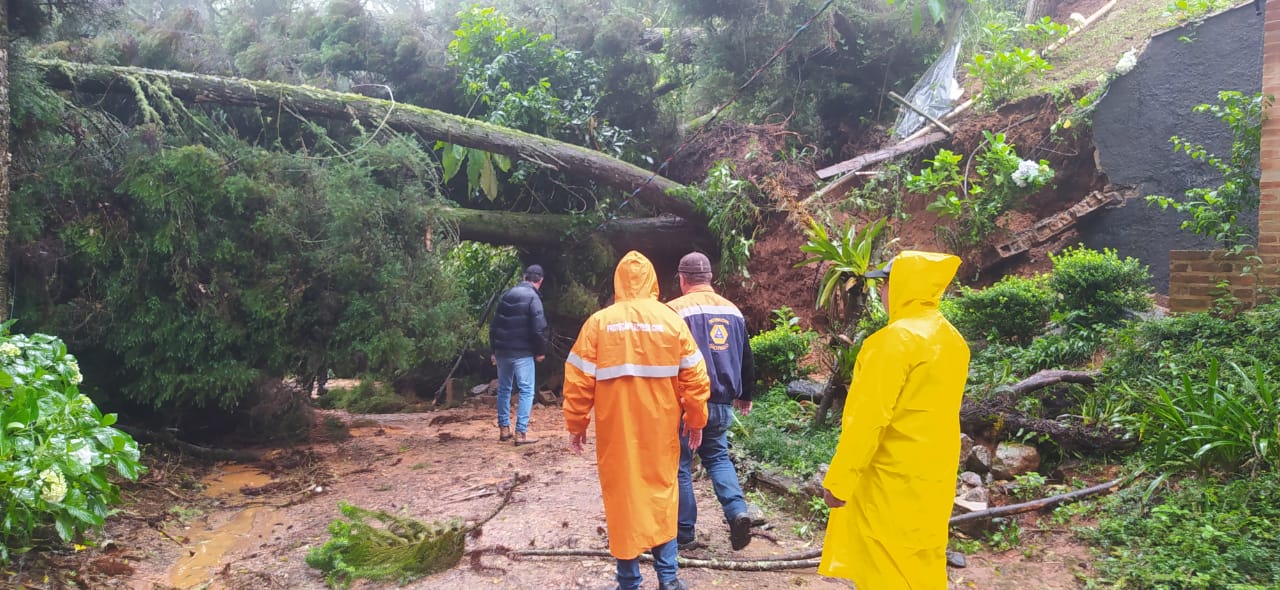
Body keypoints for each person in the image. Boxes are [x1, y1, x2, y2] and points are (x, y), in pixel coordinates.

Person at [819, 251, 971, 590]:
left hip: (889, 483)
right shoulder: (953, 341)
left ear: (899, 285)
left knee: (885, 570)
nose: (882, 293)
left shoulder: (893, 341)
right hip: (933, 480)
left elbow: (868, 420)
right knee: (923, 564)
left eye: (884, 284)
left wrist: (839, 481)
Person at [563, 250, 711, 590]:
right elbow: (696, 378)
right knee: (663, 495)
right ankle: (669, 580)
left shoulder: (599, 324)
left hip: (617, 432)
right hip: (661, 431)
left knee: (623, 501)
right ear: (653, 280)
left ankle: (628, 581)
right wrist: (696, 419)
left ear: (618, 281)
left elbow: (577, 380)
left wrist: (576, 424)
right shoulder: (671, 320)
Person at [666, 251, 755, 552]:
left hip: (686, 404)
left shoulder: (673, 311)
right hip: (722, 402)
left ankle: (684, 532)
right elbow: (746, 355)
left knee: (681, 464)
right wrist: (746, 394)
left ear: (682, 279)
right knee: (718, 457)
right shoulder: (733, 310)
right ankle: (737, 512)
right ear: (710, 279)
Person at [489, 264, 549, 446]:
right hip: (522, 352)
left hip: (502, 351)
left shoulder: (507, 295)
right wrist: (540, 352)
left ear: (524, 277)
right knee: (526, 390)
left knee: (504, 389)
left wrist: (494, 350)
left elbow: (494, 326)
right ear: (540, 281)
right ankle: (521, 433)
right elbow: (539, 329)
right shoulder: (533, 298)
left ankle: (504, 429)